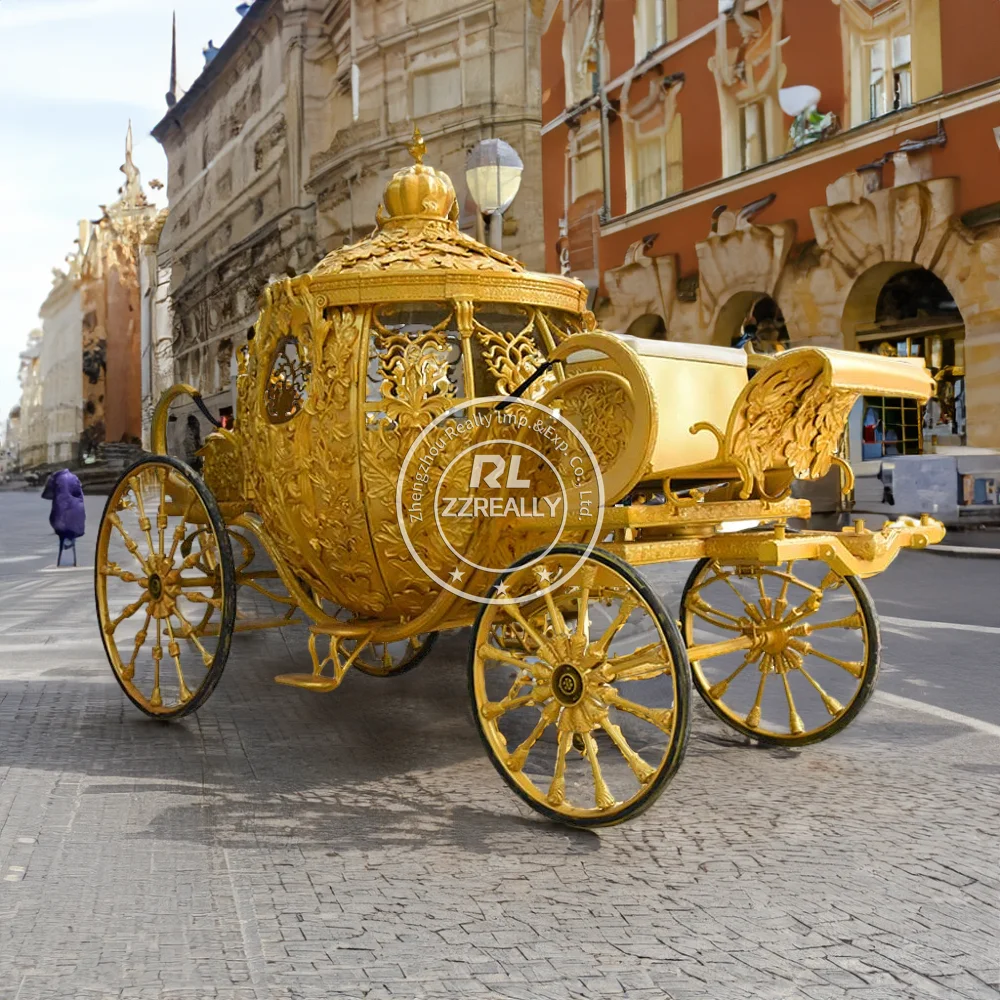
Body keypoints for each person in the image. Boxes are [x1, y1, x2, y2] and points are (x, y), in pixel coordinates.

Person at [41, 469, 86, 567]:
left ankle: (62, 556)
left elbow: (46, 495)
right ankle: (72, 554)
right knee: (71, 528)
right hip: (76, 510)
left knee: (61, 528)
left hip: (61, 510)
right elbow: (80, 494)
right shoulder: (74, 477)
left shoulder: (54, 479)